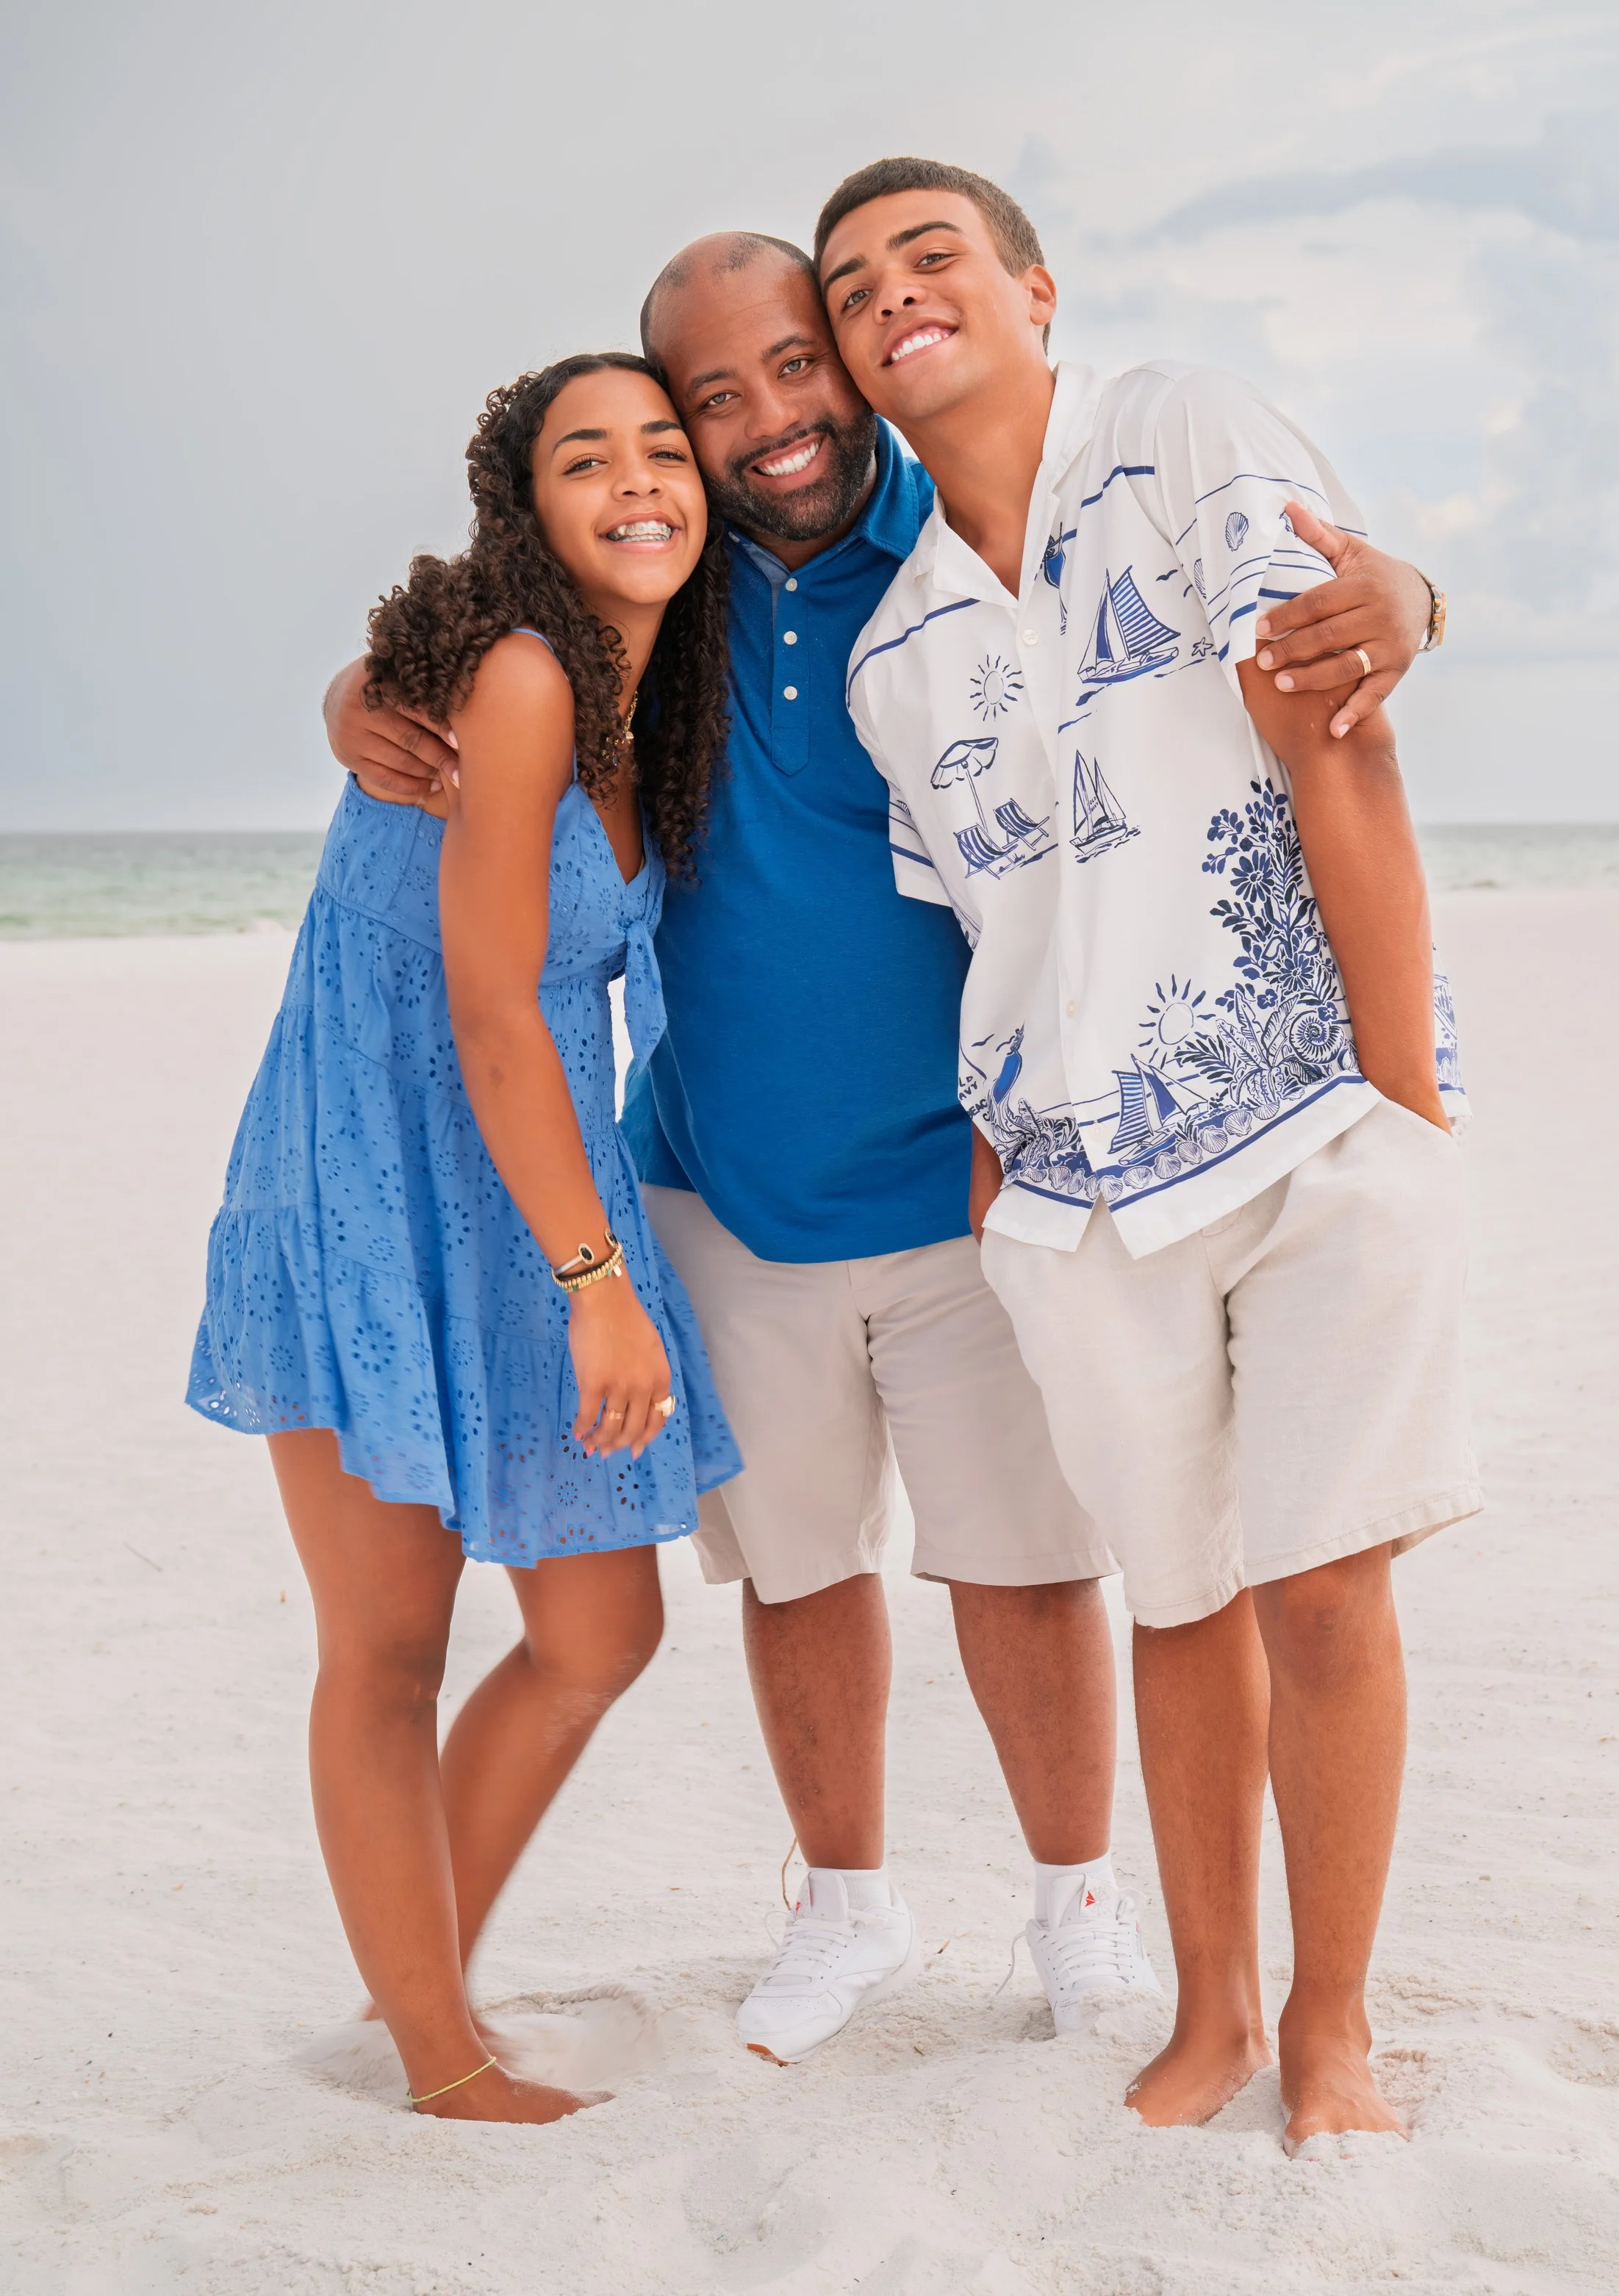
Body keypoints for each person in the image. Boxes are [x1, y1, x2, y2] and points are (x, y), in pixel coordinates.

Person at [327, 235, 1440, 2067]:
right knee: (799, 1570)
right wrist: (355, 697)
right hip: (717, 1183)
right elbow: (477, 650)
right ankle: (843, 1902)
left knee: (1023, 1563)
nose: (767, 419)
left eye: (796, 366)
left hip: (983, 1172)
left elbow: (1240, 632)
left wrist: (1405, 590)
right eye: (712, 396)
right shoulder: (658, 588)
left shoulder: (955, 541)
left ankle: (1075, 1899)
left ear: (852, 367)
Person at [821, 158, 1476, 2151]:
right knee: (1177, 1602)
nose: (890, 297)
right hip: (1067, 1196)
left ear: (1028, 286)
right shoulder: (889, 658)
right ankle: (1204, 2011)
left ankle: (1331, 2021)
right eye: (851, 288)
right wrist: (1001, 1194)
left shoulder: (1178, 429)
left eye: (930, 257)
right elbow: (980, 934)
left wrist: (1403, 1105)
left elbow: (1335, 733)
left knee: (1322, 1593)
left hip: (1306, 1129)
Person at [188, 352, 740, 2122]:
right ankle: (434, 2047)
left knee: (595, 1631)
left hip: (520, 1188)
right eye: (590, 457)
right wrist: (601, 1290)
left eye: (666, 448)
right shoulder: (509, 679)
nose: (640, 480)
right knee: (390, 1643)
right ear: (526, 507)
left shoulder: (648, 702)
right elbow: (494, 1009)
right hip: (373, 1186)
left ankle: (416, 1976)